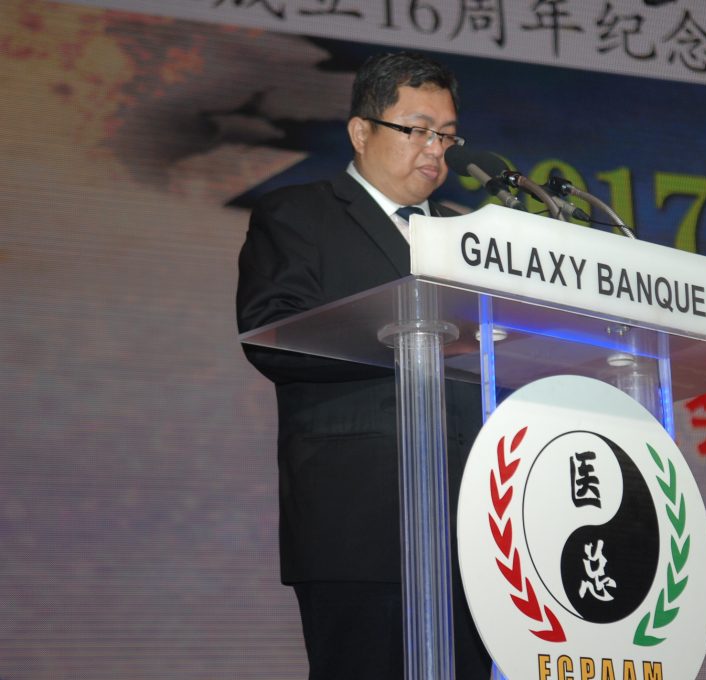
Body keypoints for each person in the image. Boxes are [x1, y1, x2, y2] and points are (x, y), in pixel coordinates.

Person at [236, 51, 491, 679]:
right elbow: (271, 337)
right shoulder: (300, 214)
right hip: (358, 518)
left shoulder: (474, 240)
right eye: (418, 129)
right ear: (361, 131)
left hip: (477, 530)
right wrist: (406, 337)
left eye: (447, 135)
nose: (435, 149)